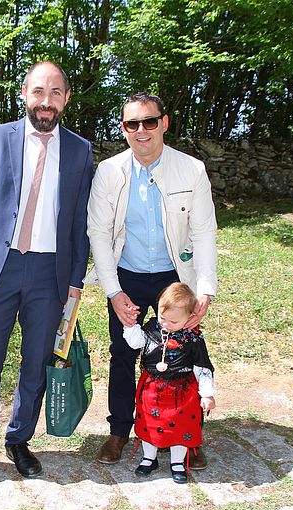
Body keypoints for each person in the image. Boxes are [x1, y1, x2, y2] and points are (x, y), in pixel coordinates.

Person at [0, 61, 93, 495]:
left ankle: (19, 440)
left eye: (55, 93)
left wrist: (76, 280)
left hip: (50, 274)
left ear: (66, 99)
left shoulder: (80, 150)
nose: (46, 101)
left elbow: (79, 223)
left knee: (36, 364)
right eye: (39, 91)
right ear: (25, 93)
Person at [86, 92, 218, 466]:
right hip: (126, 276)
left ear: (164, 123)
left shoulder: (192, 170)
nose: (141, 130)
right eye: (132, 124)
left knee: (182, 355)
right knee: (122, 353)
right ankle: (119, 430)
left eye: (149, 121)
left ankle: (187, 437)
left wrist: (204, 289)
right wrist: (114, 292)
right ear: (123, 129)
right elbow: (98, 233)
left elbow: (204, 231)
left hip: (173, 278)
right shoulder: (108, 171)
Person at [124, 282, 215, 483]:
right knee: (149, 424)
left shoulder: (193, 338)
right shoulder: (151, 328)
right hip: (152, 388)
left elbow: (202, 366)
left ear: (190, 317)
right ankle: (149, 458)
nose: (166, 324)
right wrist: (130, 326)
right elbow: (136, 343)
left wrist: (207, 394)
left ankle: (177, 462)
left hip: (182, 392)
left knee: (180, 428)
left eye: (173, 321)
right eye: (162, 317)